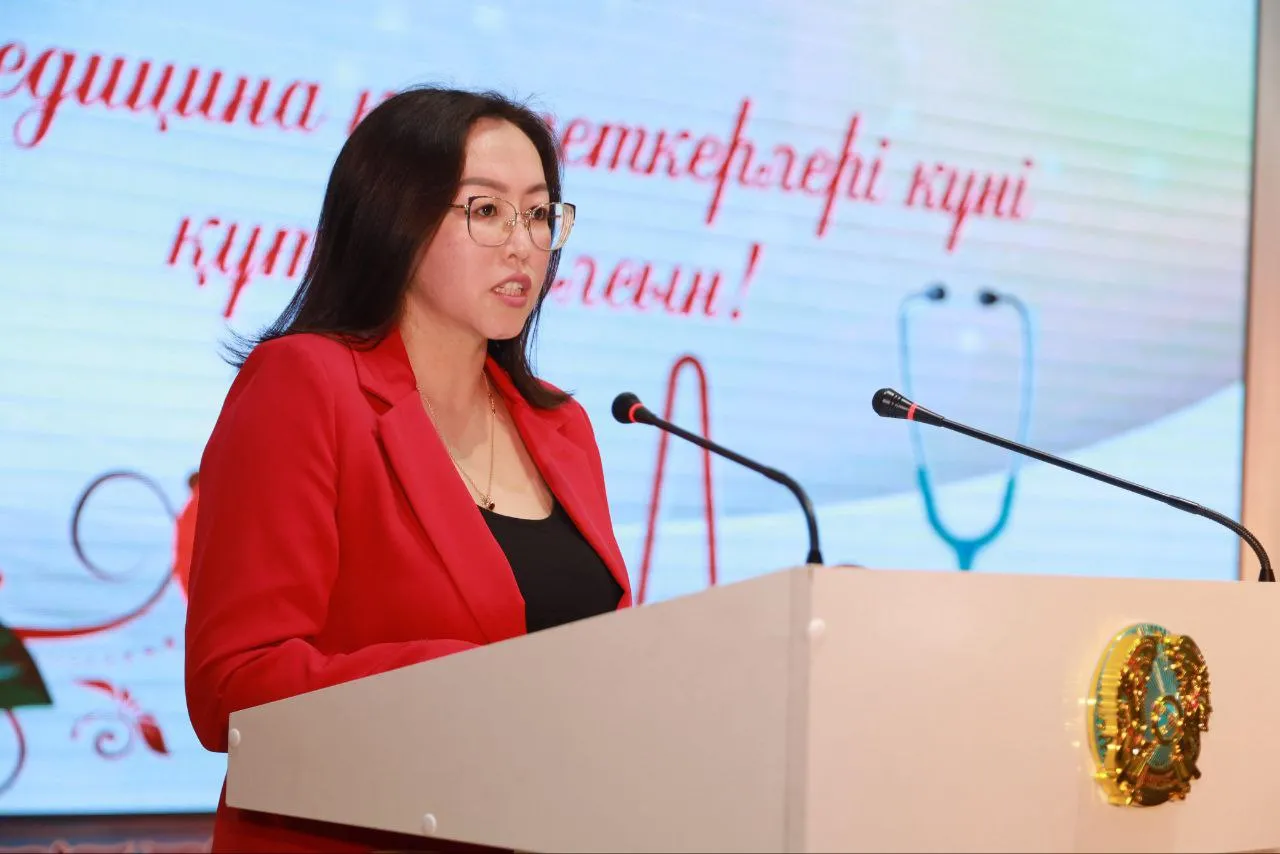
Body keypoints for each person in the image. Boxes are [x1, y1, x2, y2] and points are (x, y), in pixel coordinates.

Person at [183, 86, 633, 853]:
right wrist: (465, 683)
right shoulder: (307, 385)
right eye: (485, 210)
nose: (523, 245)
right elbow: (233, 686)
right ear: (396, 219)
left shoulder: (562, 426)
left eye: (538, 214)